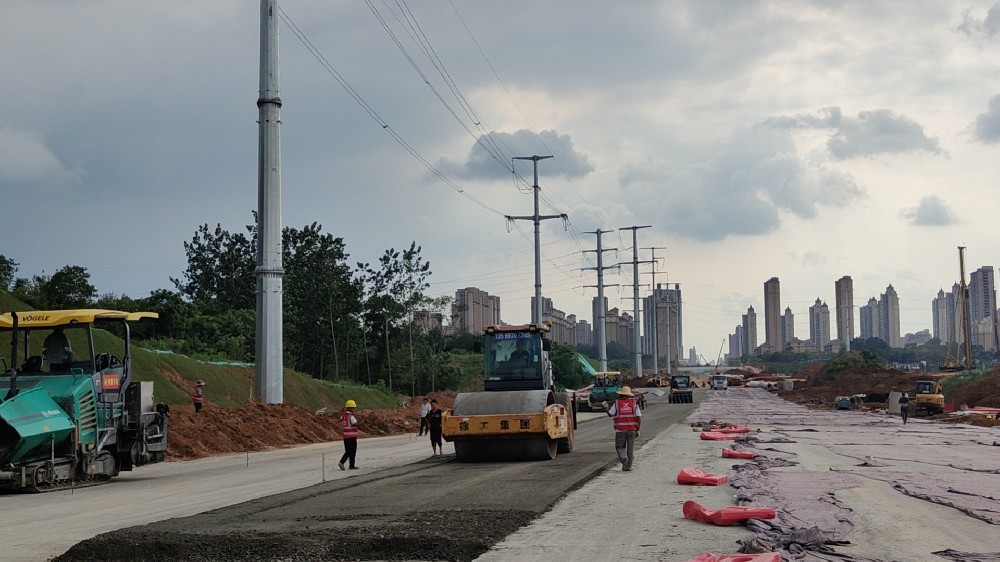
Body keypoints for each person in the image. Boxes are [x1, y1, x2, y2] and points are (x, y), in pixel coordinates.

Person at [605, 385, 641, 471]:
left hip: (620, 430)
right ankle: (629, 466)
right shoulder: (634, 404)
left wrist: (605, 407)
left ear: (621, 394)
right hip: (632, 430)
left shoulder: (617, 403)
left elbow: (610, 414)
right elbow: (639, 417)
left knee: (620, 447)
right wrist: (638, 429)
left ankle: (624, 461)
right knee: (630, 449)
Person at [339, 399, 360, 470]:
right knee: (352, 451)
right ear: (350, 408)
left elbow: (340, 419)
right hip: (352, 436)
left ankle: (349, 464)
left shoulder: (344, 416)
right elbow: (356, 424)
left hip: (345, 436)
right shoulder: (351, 417)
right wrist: (362, 422)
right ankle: (344, 463)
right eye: (353, 408)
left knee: (348, 451)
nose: (354, 409)